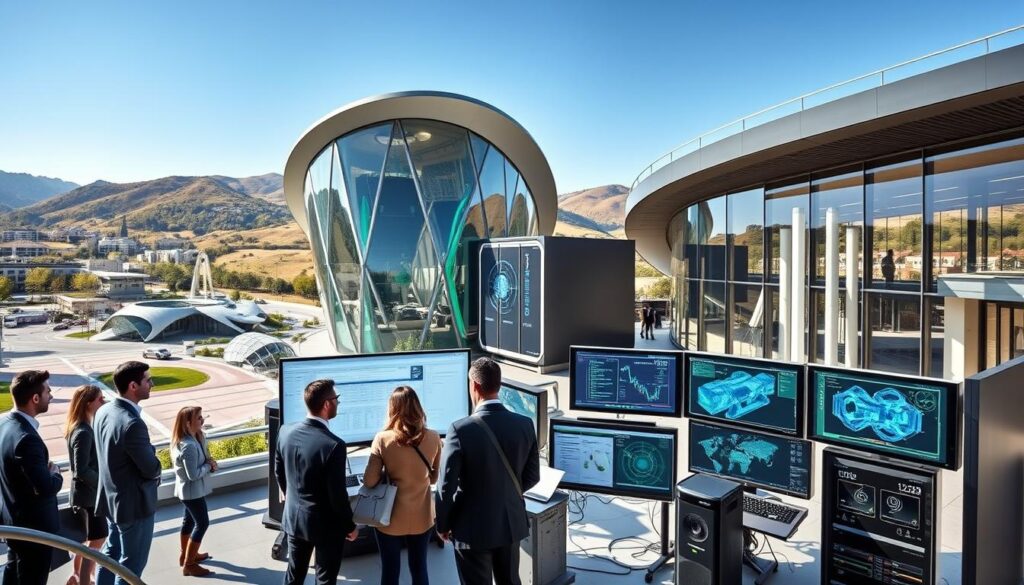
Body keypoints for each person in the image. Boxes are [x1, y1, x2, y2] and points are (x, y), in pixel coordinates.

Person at [436, 357, 540, 585]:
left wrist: (443, 525)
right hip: (510, 522)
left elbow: (446, 487)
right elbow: (533, 476)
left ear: (474, 385)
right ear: (499, 385)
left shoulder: (459, 429)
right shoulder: (524, 424)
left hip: (472, 529)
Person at [275, 379, 358, 585]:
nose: (338, 403)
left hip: (294, 519)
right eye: (337, 399)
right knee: (325, 579)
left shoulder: (285, 431)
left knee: (294, 575)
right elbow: (337, 495)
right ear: (327, 404)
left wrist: (293, 496)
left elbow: (279, 471)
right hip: (326, 528)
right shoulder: (334, 445)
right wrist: (350, 526)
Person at [363, 387, 442, 585]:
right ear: (417, 407)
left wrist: (386, 473)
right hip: (422, 517)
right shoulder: (434, 438)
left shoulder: (382, 439)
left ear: (393, 409)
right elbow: (433, 479)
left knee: (390, 571)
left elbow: (369, 481)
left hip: (389, 518)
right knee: (419, 568)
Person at [94, 361, 162, 585]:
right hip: (134, 507)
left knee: (110, 556)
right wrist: (153, 455)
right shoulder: (132, 423)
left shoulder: (104, 410)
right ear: (133, 386)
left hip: (111, 501)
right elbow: (151, 468)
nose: (152, 383)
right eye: (147, 380)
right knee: (130, 567)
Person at [0, 370, 62, 585]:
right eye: (48, 391)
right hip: (35, 531)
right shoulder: (27, 438)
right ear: (35, 398)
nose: (51, 395)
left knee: (12, 574)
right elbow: (45, 486)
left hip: (13, 522)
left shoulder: (4, 424)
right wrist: (56, 475)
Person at [65, 385, 109, 585]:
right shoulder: (83, 431)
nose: (104, 402)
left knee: (87, 541)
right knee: (97, 540)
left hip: (84, 495)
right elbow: (81, 469)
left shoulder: (81, 426)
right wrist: (103, 483)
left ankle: (77, 577)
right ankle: (84, 580)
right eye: (100, 399)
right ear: (89, 403)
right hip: (89, 497)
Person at [171, 406, 218, 577]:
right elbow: (193, 475)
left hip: (188, 492)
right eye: (199, 418)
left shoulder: (194, 438)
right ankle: (189, 564)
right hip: (192, 492)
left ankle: (186, 555)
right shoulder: (188, 446)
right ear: (188, 423)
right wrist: (209, 466)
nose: (202, 420)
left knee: (188, 522)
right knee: (202, 523)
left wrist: (208, 462)